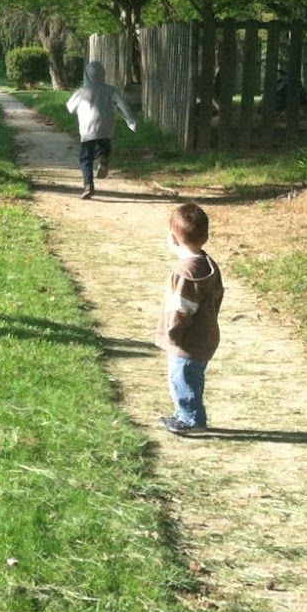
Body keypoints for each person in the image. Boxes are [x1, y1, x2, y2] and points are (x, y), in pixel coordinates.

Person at [156, 202, 225, 436]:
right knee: (191, 376)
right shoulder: (207, 264)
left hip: (188, 339)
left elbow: (180, 310)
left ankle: (192, 419)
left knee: (182, 378)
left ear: (174, 240)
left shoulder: (184, 274)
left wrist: (173, 334)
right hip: (205, 334)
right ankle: (183, 414)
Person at [63, 59, 138, 200]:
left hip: (87, 128)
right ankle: (103, 157)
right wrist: (131, 121)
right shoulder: (111, 90)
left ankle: (88, 185)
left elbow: (70, 107)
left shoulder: (82, 92)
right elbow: (123, 106)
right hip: (106, 125)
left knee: (86, 157)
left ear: (87, 75)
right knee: (104, 146)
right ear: (102, 75)